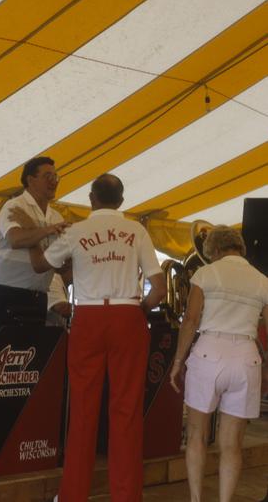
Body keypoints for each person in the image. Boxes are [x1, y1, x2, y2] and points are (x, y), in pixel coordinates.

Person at [26, 173, 166, 502]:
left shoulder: (76, 231)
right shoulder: (137, 230)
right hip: (127, 315)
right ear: (121, 201)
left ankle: (73, 495)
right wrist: (141, 310)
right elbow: (159, 289)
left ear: (91, 199)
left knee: (83, 411)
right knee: (126, 411)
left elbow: (40, 265)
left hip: (88, 317)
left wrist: (33, 236)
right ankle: (126, 496)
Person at [170, 225, 268, 502]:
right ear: (240, 248)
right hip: (246, 356)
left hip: (209, 353)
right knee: (232, 443)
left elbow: (191, 320)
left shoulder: (206, 273)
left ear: (214, 250)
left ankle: (196, 499)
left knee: (196, 435)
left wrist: (178, 361)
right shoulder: (262, 280)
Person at [0, 156, 68, 348]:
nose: (54, 181)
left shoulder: (56, 216)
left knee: (30, 358)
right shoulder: (14, 206)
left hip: (38, 299)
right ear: (30, 180)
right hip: (6, 295)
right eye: (47, 176)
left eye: (56, 177)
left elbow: (56, 262)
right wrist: (47, 230)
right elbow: (16, 239)